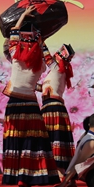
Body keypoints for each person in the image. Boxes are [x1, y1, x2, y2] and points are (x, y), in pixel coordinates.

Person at [1, 6, 60, 187]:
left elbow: (13, 34)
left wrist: (23, 16)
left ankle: (16, 175)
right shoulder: (41, 64)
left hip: (14, 103)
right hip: (31, 104)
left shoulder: (15, 56)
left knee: (16, 140)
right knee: (32, 142)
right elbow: (50, 60)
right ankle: (25, 179)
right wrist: (42, 42)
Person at [38, 44, 76, 172]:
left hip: (52, 107)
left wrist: (41, 41)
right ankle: (59, 171)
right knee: (56, 138)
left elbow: (47, 56)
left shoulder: (57, 68)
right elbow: (45, 88)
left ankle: (59, 171)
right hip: (51, 107)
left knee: (53, 139)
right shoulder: (58, 72)